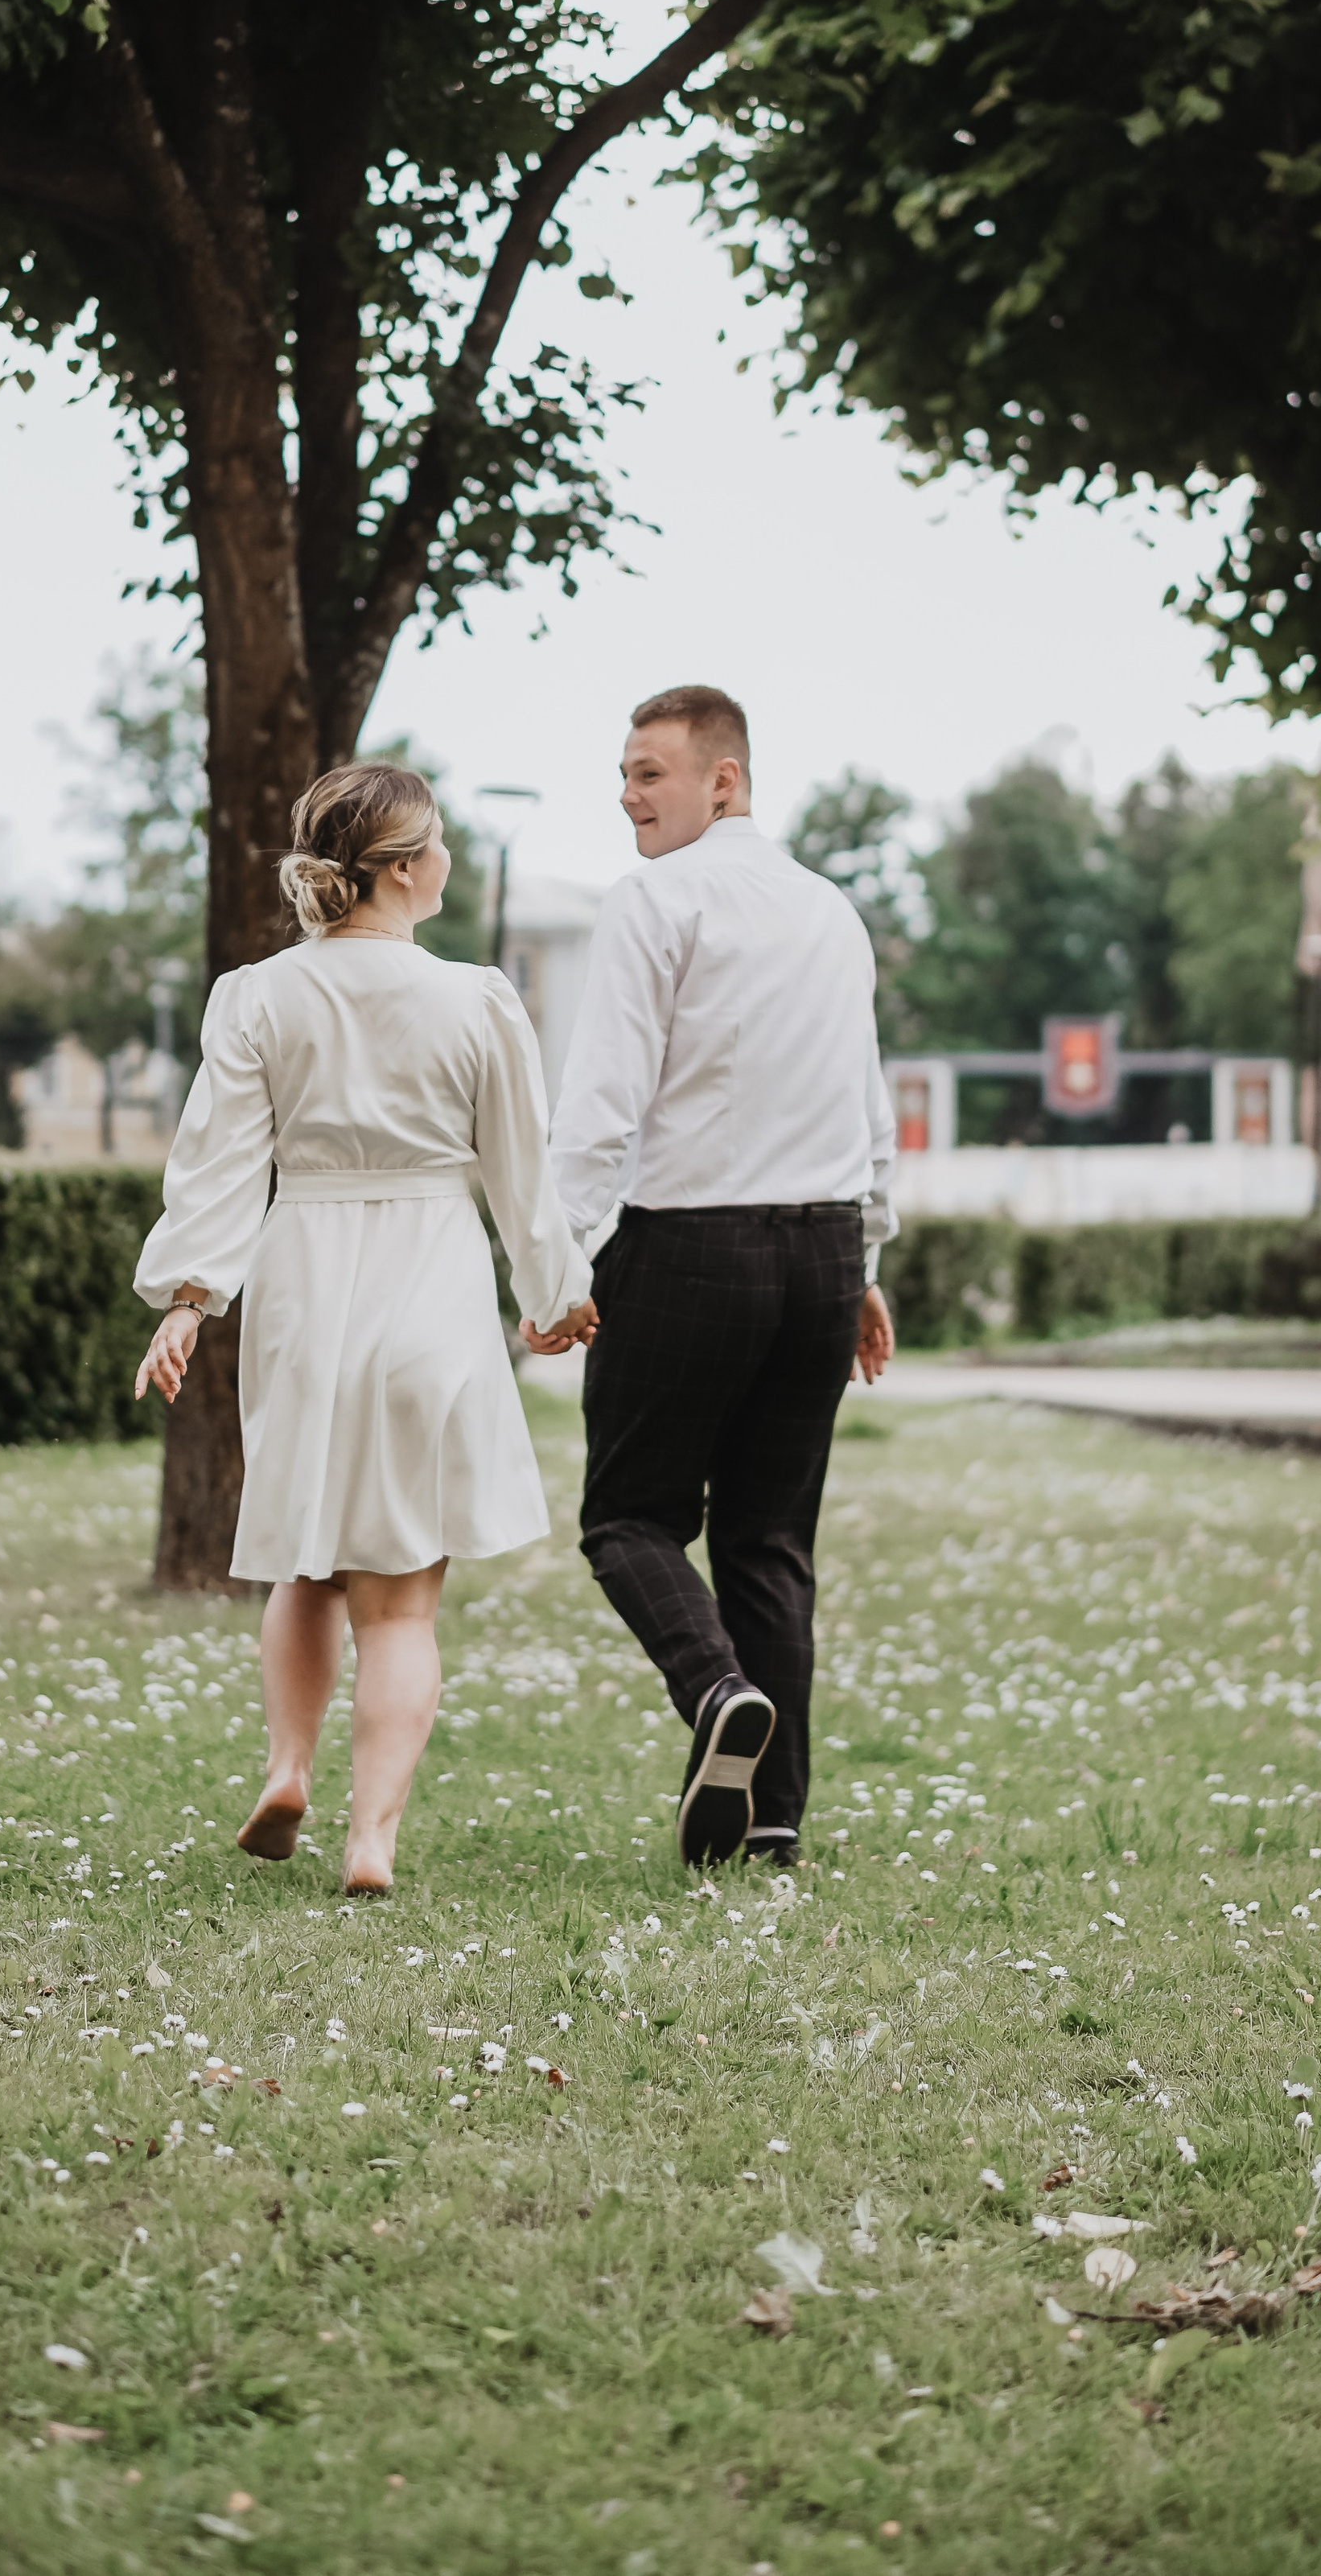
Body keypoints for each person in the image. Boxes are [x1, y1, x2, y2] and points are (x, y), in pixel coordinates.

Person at [133, 762, 595, 1896]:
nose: (449, 860)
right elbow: (519, 1170)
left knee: (305, 1559)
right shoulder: (478, 998)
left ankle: (288, 1766)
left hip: (304, 1281)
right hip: (429, 1279)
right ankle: (372, 1836)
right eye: (436, 843)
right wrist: (553, 1292)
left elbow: (221, 1161)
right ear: (400, 869)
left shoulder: (259, 996)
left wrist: (190, 1297)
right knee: (401, 1596)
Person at [532, 685, 895, 1870]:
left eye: (649, 772)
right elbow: (868, 1100)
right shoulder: (833, 911)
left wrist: (554, 1259)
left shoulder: (655, 901)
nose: (626, 794)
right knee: (767, 1539)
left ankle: (714, 1690)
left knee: (627, 1515)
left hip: (693, 1241)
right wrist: (867, 1261)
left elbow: (602, 1098)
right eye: (625, 773)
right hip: (822, 1247)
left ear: (722, 780)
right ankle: (772, 1817)